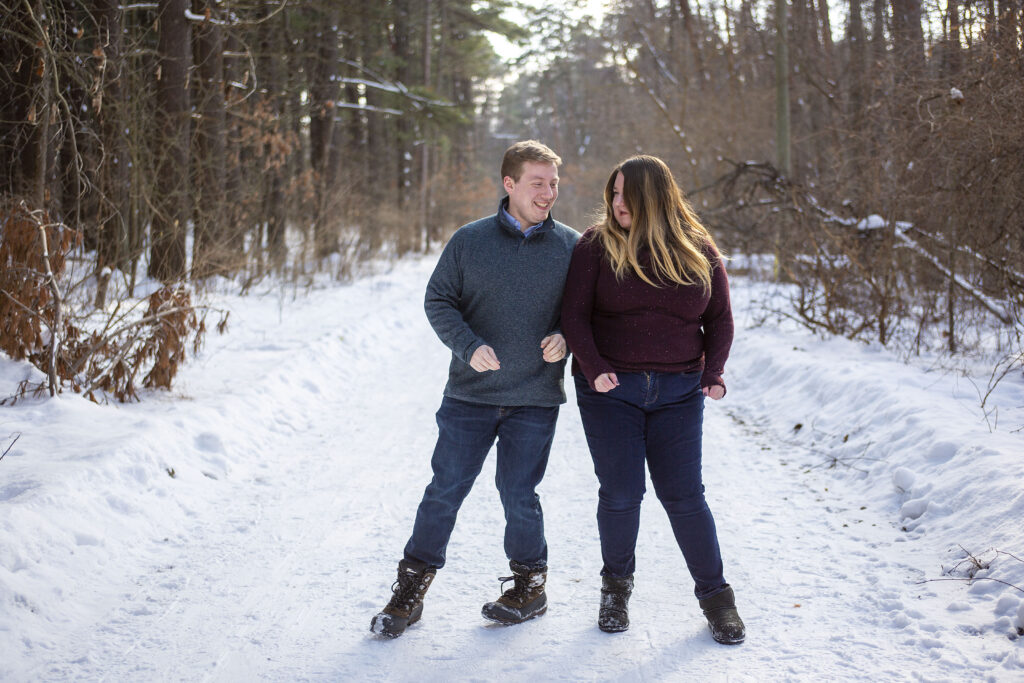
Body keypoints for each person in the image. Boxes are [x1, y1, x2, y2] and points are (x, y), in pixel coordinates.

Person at [370, 140, 579, 638]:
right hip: (469, 396)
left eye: (553, 183)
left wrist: (567, 337)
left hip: (534, 396)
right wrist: (468, 345)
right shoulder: (469, 241)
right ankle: (410, 590)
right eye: (537, 183)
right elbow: (438, 300)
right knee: (445, 490)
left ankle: (530, 586)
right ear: (509, 185)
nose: (549, 193)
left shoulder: (573, 246)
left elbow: (587, 312)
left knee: (518, 492)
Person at [560, 154, 745, 644]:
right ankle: (615, 591)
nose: (617, 203)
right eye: (613, 193)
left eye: (627, 194)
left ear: (654, 197)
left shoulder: (696, 248)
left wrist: (715, 371)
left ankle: (717, 600)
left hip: (680, 392)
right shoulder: (595, 246)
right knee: (621, 495)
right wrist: (596, 370)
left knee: (685, 498)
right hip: (610, 392)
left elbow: (720, 318)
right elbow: (574, 317)